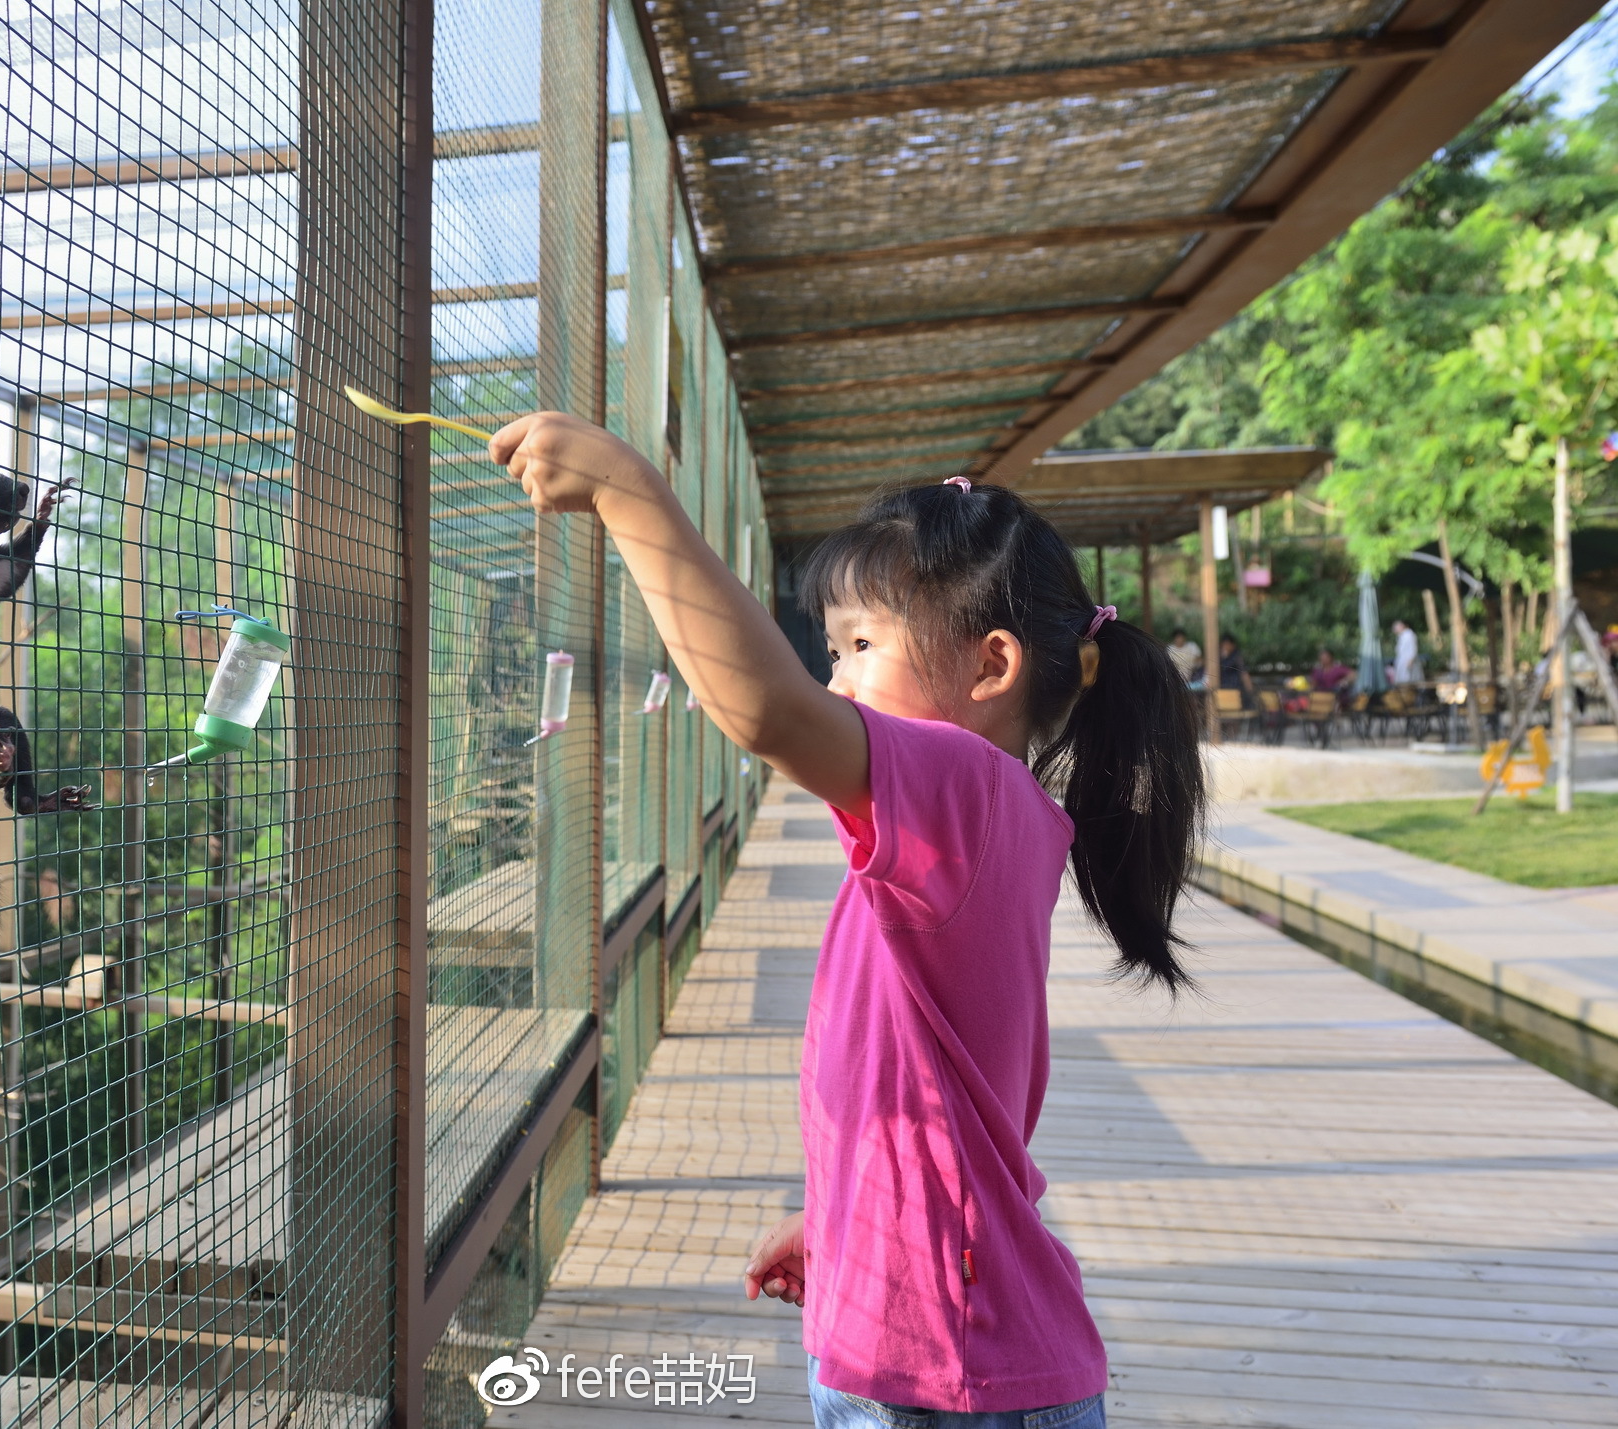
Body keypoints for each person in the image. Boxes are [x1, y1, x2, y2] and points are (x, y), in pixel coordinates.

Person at [490, 412, 1203, 1429]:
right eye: (831, 650)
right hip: (927, 1332)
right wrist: (840, 1222)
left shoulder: (968, 788)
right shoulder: (970, 824)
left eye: (857, 645)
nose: (833, 680)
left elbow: (768, 712)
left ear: (987, 666)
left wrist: (622, 488)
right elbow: (939, 1095)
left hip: (948, 1369)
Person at [1218, 633, 1253, 701]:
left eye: (1227, 644)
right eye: (1223, 645)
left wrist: (1250, 692)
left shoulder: (1237, 657)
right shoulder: (1222, 658)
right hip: (1224, 690)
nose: (1225, 647)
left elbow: (1244, 674)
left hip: (1235, 690)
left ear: (1232, 645)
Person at [1391, 618, 1420, 683]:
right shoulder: (1402, 636)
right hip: (1402, 661)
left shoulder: (1409, 635)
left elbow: (1413, 648)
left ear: (1401, 626)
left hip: (1408, 661)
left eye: (1396, 627)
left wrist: (1411, 660)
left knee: (1408, 680)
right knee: (1403, 680)